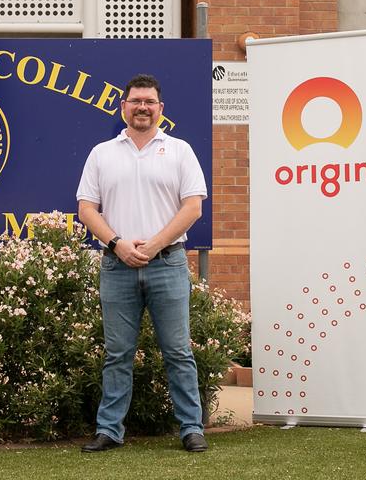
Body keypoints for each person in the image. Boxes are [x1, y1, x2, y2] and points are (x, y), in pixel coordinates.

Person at [76, 74, 209, 453]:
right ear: (123, 107)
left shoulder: (180, 150)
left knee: (178, 352)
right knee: (117, 353)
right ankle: (110, 430)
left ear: (160, 109)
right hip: (117, 267)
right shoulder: (102, 153)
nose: (142, 107)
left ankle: (191, 428)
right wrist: (118, 244)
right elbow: (87, 209)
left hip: (167, 263)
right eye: (135, 101)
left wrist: (153, 245)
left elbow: (193, 207)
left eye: (149, 102)